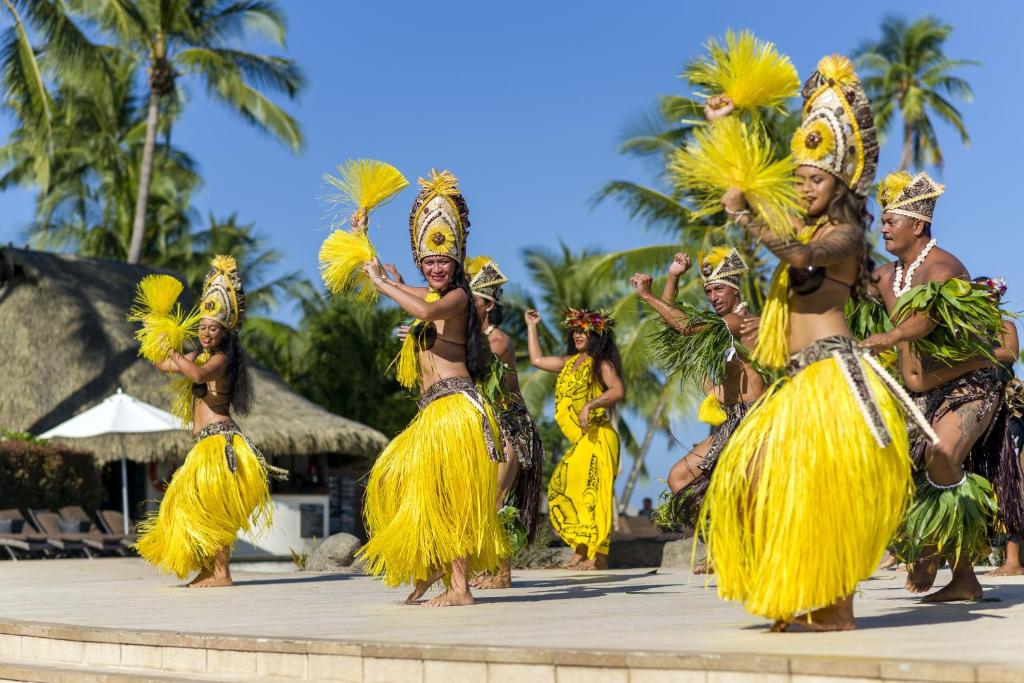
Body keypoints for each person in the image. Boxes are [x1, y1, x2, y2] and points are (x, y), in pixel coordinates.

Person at [701, 55, 933, 631]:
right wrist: (723, 127)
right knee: (753, 480)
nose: (805, 186)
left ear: (840, 183)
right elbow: (748, 187)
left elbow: (801, 258)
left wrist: (749, 220)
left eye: (817, 178)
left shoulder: (847, 234)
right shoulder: (800, 224)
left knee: (823, 492)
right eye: (799, 177)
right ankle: (805, 590)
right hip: (796, 380)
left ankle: (836, 607)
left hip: (834, 379)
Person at [357, 169, 508, 607]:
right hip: (431, 413)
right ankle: (431, 568)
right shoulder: (427, 291)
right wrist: (364, 238)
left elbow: (423, 311)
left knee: (448, 497)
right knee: (393, 481)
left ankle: (459, 588)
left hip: (456, 410)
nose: (437, 268)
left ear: (456, 263)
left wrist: (384, 283)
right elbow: (394, 282)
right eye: (429, 263)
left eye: (443, 261)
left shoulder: (457, 298)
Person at [861, 172, 1003, 602]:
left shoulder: (943, 268)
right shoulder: (888, 277)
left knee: (942, 457)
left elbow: (928, 318)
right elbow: (840, 285)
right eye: (881, 221)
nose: (882, 228)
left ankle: (957, 572)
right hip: (920, 394)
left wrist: (888, 338)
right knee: (880, 465)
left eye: (891, 221)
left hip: (970, 386)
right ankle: (927, 550)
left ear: (917, 225)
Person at [137, 256, 281, 588]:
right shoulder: (196, 355)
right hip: (204, 444)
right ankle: (208, 570)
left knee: (214, 507)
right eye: (202, 327)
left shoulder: (221, 360)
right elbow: (163, 366)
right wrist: (161, 331)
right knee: (189, 505)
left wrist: (176, 354)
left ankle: (221, 573)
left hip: (220, 442)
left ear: (224, 331)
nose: (205, 332)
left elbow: (198, 375)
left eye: (212, 328)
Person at [631, 249, 764, 574]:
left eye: (718, 289)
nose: (712, 296)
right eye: (708, 290)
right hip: (734, 421)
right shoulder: (724, 327)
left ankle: (739, 550)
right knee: (681, 477)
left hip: (754, 421)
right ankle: (723, 544)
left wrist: (646, 295)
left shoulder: (739, 321)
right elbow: (674, 321)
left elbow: (685, 326)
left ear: (735, 288)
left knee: (745, 495)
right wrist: (673, 276)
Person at [526, 307, 625, 570]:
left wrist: (590, 405)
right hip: (582, 441)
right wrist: (532, 326)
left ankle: (599, 556)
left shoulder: (601, 363)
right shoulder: (569, 362)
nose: (578, 334)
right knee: (567, 488)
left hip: (599, 436)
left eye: (584, 330)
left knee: (596, 494)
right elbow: (536, 360)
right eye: (575, 330)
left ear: (596, 333)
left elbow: (617, 390)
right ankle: (581, 550)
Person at [968, 277, 1023, 577]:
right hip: (975, 409)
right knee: (974, 477)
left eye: (991, 298)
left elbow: (1010, 352)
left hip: (1006, 408)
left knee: (1008, 480)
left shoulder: (1004, 326)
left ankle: (1013, 560)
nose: (987, 303)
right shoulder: (965, 330)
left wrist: (971, 354)